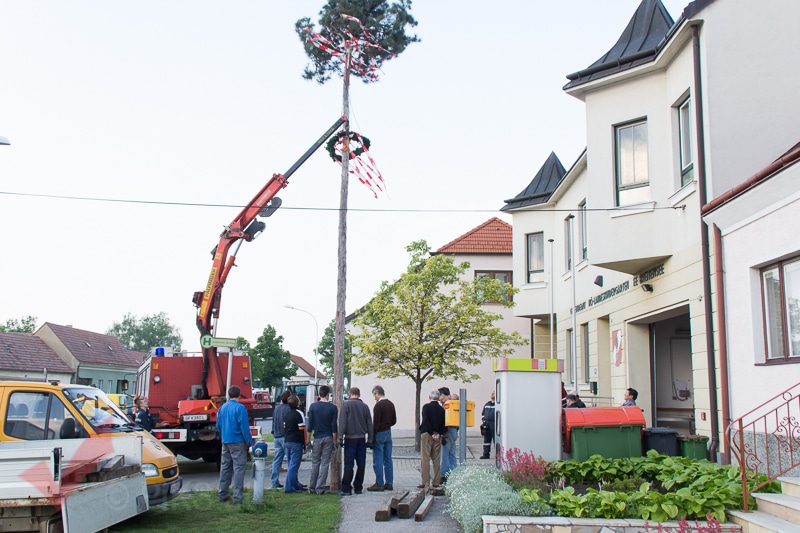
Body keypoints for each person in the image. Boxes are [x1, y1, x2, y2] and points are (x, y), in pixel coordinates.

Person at [216, 385, 252, 504]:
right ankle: (237, 496)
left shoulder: (222, 408)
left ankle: (222, 493)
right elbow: (244, 427)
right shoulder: (240, 408)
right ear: (239, 394)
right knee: (239, 468)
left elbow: (218, 425)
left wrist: (223, 435)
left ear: (229, 395)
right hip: (237, 441)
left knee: (225, 467)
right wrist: (249, 441)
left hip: (225, 440)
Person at [338, 387, 373, 496]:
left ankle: (346, 488)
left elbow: (343, 422)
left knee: (349, 463)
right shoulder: (365, 407)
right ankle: (358, 487)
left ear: (350, 394)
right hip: (361, 438)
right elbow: (369, 424)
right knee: (361, 463)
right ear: (359, 394)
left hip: (349, 438)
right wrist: (370, 439)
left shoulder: (346, 405)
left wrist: (340, 436)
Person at [306, 385, 338, 495]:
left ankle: (312, 487)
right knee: (325, 463)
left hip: (317, 437)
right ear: (328, 394)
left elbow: (309, 425)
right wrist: (335, 441)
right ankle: (320, 488)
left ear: (319, 394)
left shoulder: (313, 407)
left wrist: (308, 440)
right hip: (328, 437)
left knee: (315, 462)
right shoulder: (333, 408)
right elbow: (334, 425)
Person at [367, 385, 397, 492]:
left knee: (378, 459)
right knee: (388, 459)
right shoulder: (391, 404)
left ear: (376, 393)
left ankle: (379, 483)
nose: (374, 397)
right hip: (388, 432)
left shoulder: (378, 406)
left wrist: (372, 437)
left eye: (374, 395)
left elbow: (376, 423)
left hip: (380, 433)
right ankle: (389, 482)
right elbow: (394, 420)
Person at [419, 389, 446, 490]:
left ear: (429, 397)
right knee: (436, 459)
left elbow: (426, 421)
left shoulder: (426, 407)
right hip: (437, 435)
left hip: (427, 434)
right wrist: (438, 433)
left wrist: (431, 433)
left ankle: (425, 482)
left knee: (425, 458)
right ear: (439, 398)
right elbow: (444, 425)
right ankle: (436, 481)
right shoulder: (442, 409)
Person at [283, 394, 307, 493]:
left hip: (287, 440)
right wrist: (304, 444)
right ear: (298, 403)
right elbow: (302, 429)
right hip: (296, 441)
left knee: (290, 464)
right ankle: (289, 487)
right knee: (294, 465)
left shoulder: (287, 413)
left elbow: (285, 427)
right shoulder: (299, 413)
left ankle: (295, 483)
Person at [270, 390, 291, 489]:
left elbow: (274, 421)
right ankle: (290, 481)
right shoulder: (288, 409)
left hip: (276, 436)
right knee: (290, 460)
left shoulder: (277, 409)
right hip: (285, 436)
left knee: (277, 460)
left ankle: (274, 482)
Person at [439, 387, 458, 482]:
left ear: (444, 395)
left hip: (448, 431)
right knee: (452, 454)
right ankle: (453, 473)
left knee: (444, 454)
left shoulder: (447, 405)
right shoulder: (454, 403)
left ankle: (443, 475)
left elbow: (447, 420)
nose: (439, 397)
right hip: (454, 430)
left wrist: (444, 433)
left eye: (440, 395)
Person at [480, 390, 495, 459]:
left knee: (496, 440)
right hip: (487, 424)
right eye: (492, 392)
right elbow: (483, 414)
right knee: (486, 440)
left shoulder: (498, 404)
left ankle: (498, 455)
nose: (492, 394)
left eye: (494, 393)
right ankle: (486, 454)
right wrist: (484, 421)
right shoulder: (487, 404)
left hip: (495, 424)